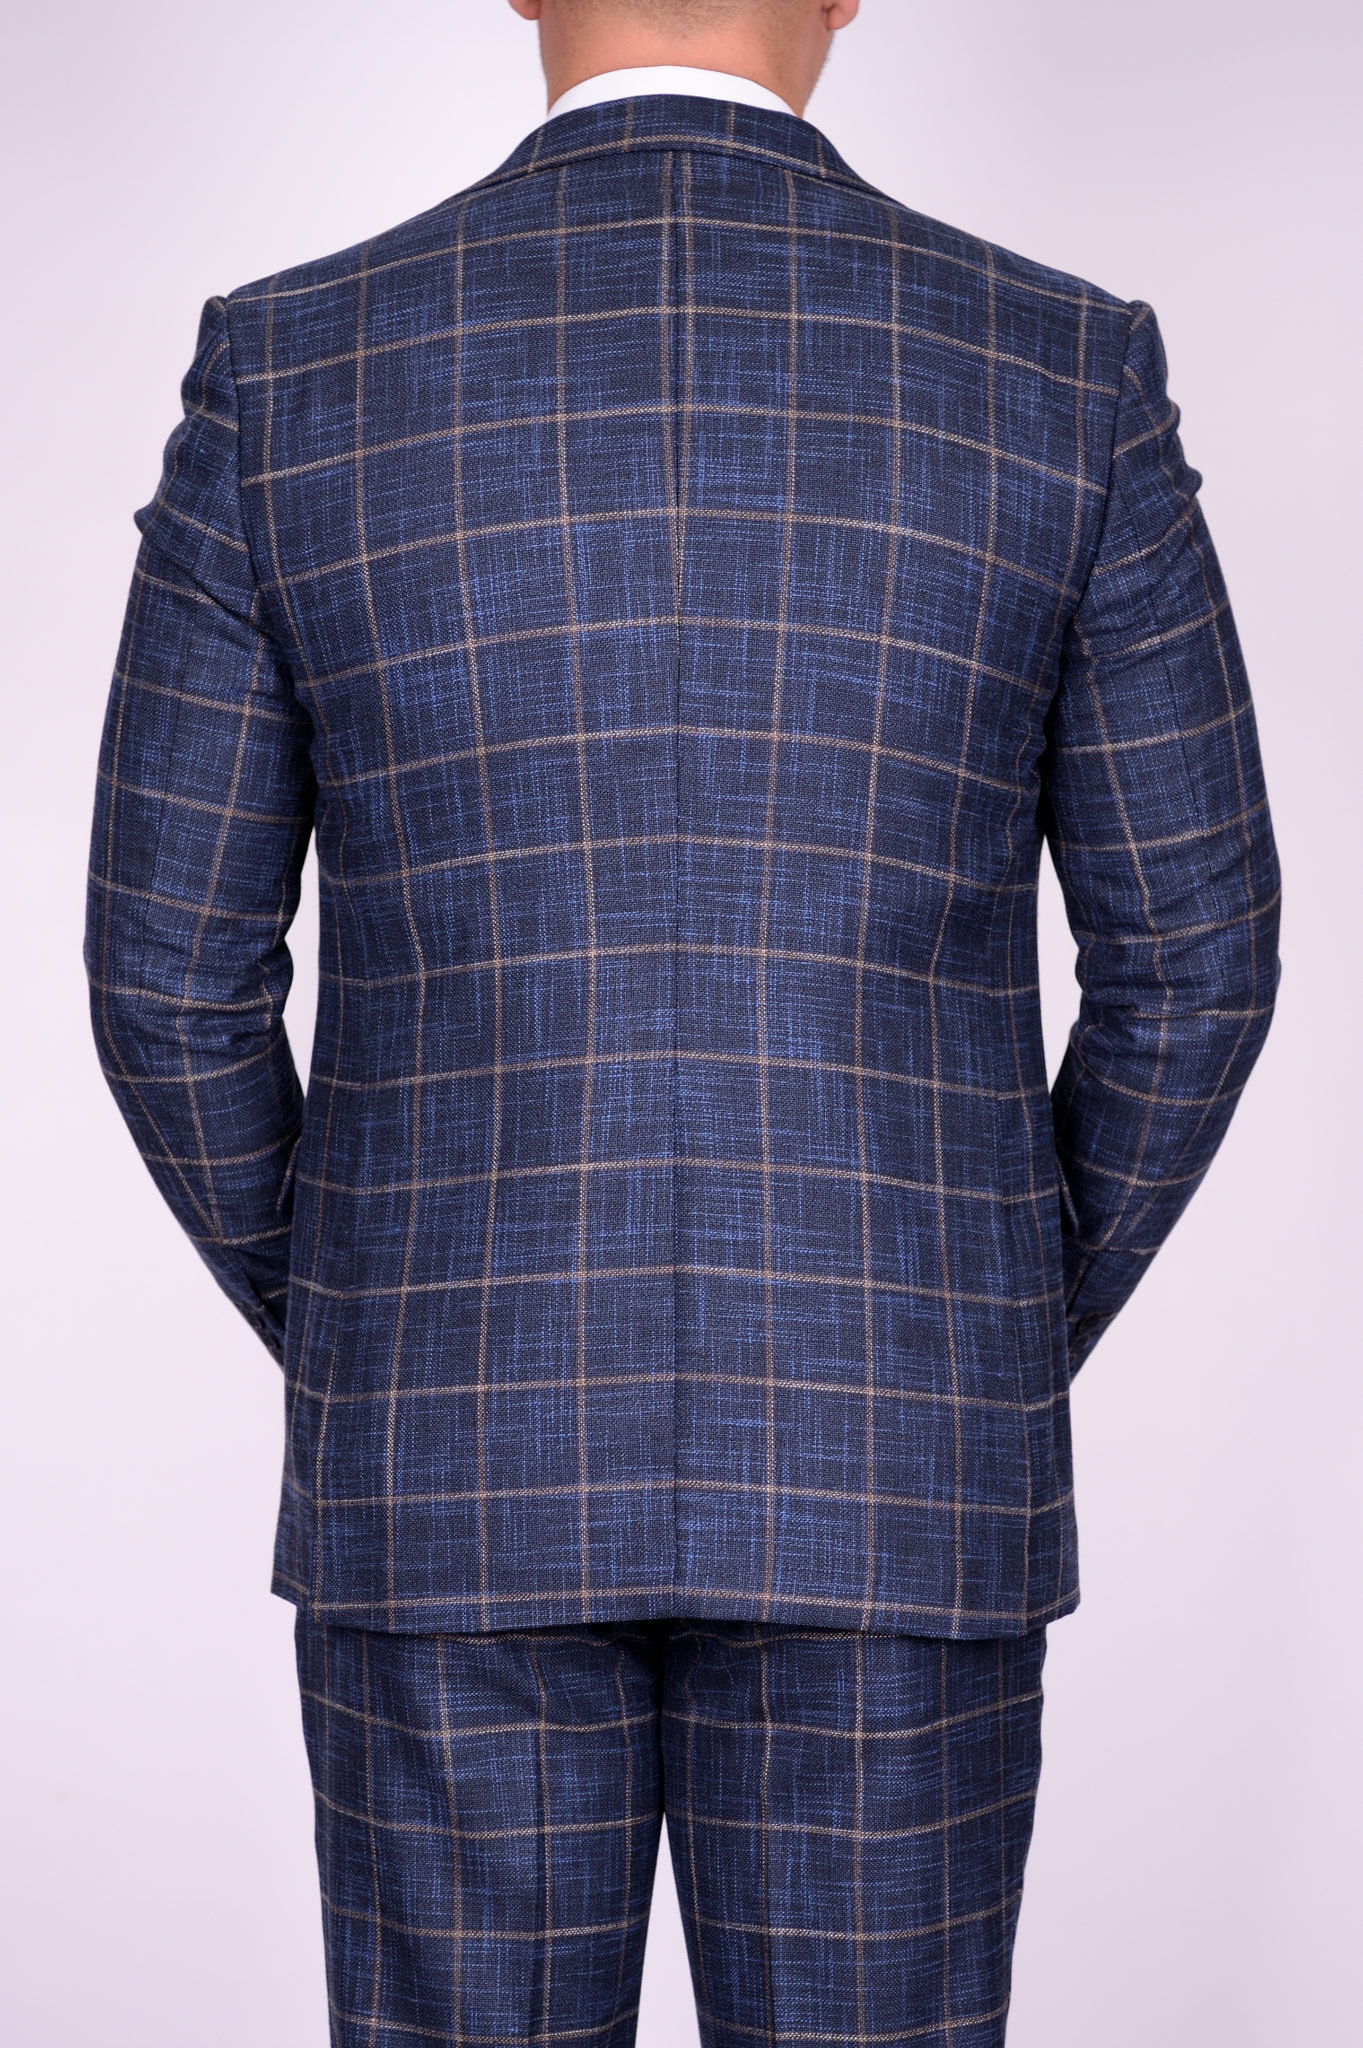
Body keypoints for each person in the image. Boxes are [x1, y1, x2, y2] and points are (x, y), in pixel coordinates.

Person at [84, 0, 1281, 2039]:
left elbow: (167, 971)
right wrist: (966, 1313)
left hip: (443, 1458)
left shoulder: (299, 373)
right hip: (897, 1459)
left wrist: (387, 1310)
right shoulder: (1055, 372)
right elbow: (1195, 957)